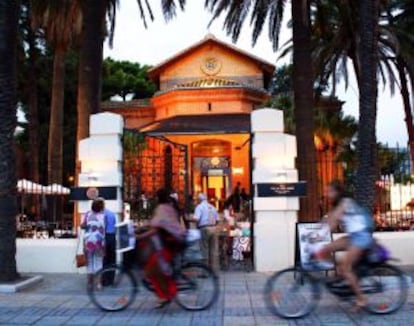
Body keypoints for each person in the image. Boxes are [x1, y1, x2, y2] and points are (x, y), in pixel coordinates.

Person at [316, 181, 374, 309]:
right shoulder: (337, 204)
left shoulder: (345, 202)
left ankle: (361, 299)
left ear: (337, 192)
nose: (326, 194)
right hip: (353, 236)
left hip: (361, 236)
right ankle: (341, 276)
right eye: (326, 191)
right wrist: (316, 228)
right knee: (325, 249)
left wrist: (320, 235)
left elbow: (334, 221)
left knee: (345, 268)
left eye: (329, 191)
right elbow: (328, 219)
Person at [136, 188, 186, 308]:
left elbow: (154, 228)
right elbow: (155, 223)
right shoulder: (168, 207)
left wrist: (139, 235)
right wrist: (142, 227)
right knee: (154, 269)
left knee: (153, 269)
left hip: (168, 243)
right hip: (172, 242)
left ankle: (166, 295)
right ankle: (164, 295)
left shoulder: (162, 208)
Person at [81, 199, 106, 289]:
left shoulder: (87, 214)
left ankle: (89, 283)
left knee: (89, 262)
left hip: (88, 241)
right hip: (99, 242)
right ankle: (98, 284)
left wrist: (88, 226)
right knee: (99, 262)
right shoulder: (103, 216)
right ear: (101, 207)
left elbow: (82, 225)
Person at [192, 193, 220, 272]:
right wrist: (213, 226)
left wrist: (195, 224)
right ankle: (212, 270)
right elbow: (217, 220)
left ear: (199, 199)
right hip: (213, 228)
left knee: (204, 249)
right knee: (213, 250)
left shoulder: (199, 207)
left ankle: (204, 272)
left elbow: (196, 219)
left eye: (197, 199)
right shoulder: (212, 207)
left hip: (204, 229)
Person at [96, 198, 117, 285]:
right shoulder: (111, 214)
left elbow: (101, 228)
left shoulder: (101, 215)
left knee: (104, 259)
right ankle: (111, 280)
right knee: (112, 259)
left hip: (105, 237)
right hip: (112, 237)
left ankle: (104, 280)